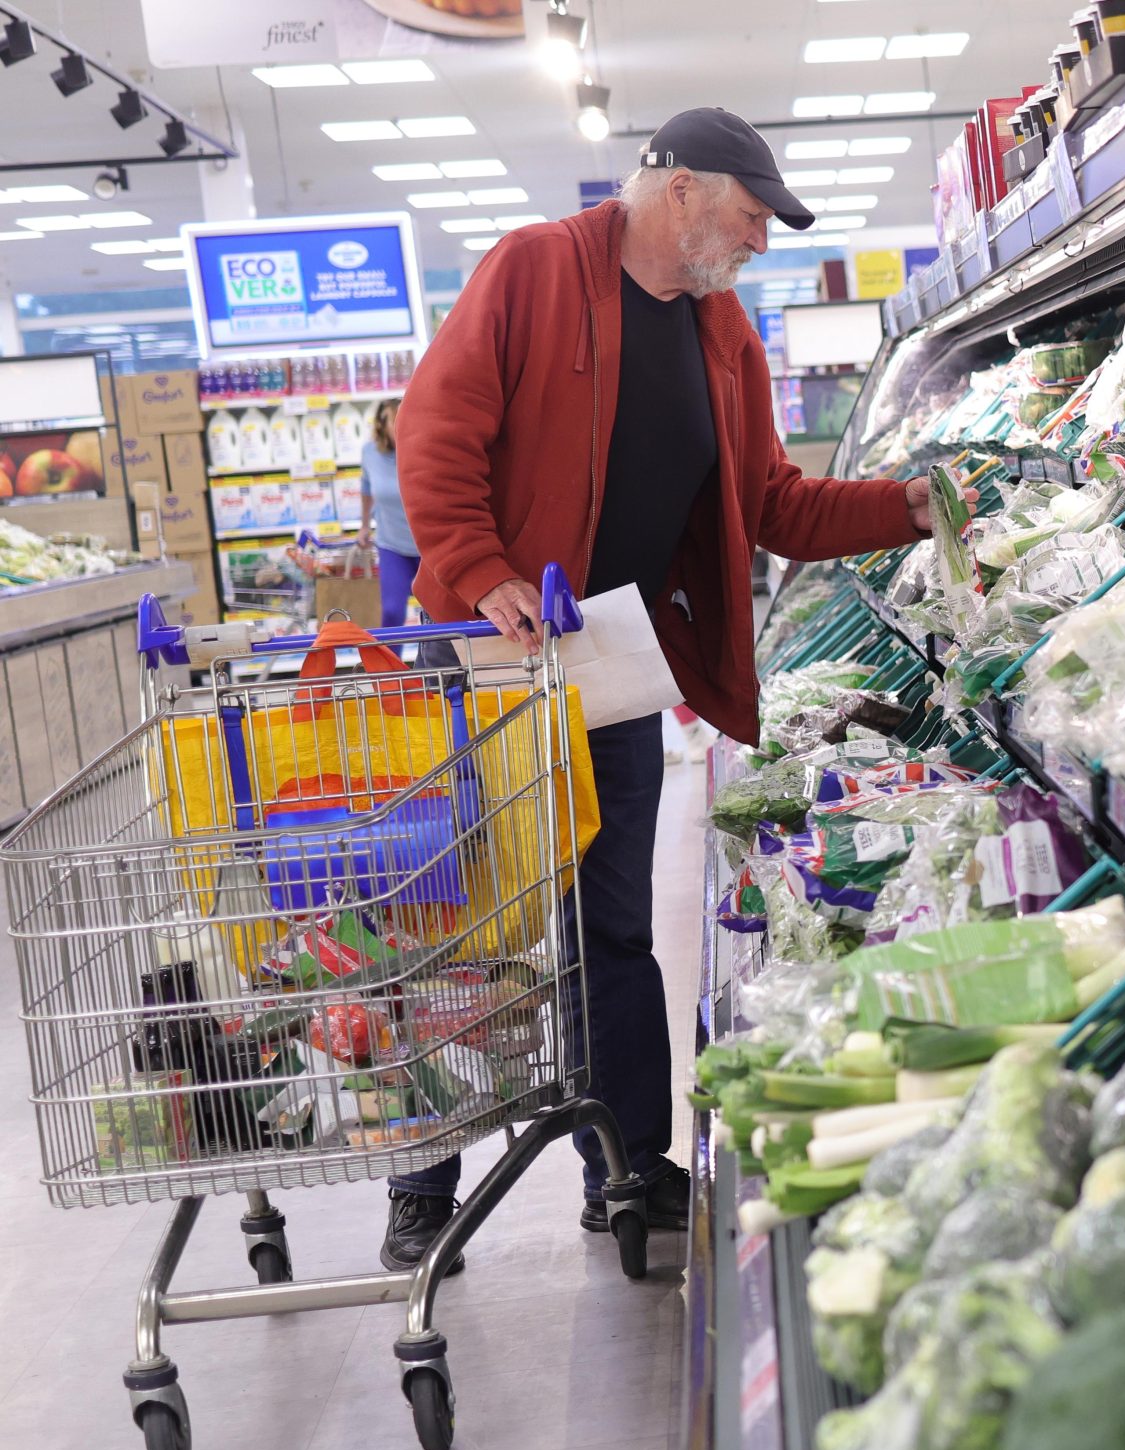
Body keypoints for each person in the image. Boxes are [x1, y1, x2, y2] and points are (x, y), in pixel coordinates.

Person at [388, 107, 957, 1269]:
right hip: (489, 659)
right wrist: (485, 572)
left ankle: (632, 1163)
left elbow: (774, 503)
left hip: (610, 662)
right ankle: (423, 1177)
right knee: (463, 927)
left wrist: (902, 504)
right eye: (751, 215)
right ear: (682, 189)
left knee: (615, 923)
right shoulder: (534, 269)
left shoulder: (722, 332)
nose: (758, 240)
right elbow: (434, 437)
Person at [356, 399, 417, 628]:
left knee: (438, 614)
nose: (405, 425)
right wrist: (364, 526)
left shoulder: (425, 448)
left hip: (429, 548)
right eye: (397, 420)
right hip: (392, 546)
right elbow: (365, 487)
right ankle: (388, 664)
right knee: (391, 613)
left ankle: (441, 660)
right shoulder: (370, 453)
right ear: (383, 425)